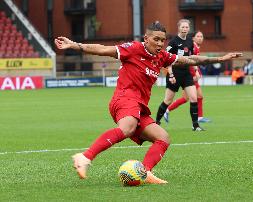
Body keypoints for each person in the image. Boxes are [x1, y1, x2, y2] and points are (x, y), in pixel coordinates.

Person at [54, 21, 242, 184]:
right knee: (127, 127)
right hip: (124, 99)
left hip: (139, 107)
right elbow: (103, 49)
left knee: (163, 138)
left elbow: (190, 59)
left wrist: (219, 58)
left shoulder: (162, 57)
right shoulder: (134, 49)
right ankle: (85, 157)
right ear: (146, 38)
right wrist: (74, 45)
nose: (160, 44)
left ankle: (145, 171)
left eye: (163, 40)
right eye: (156, 39)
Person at [155, 19, 204, 131]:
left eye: (187, 27)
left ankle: (195, 125)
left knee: (193, 98)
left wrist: (196, 70)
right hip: (174, 73)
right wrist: (171, 75)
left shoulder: (190, 42)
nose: (185, 29)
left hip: (186, 73)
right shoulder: (173, 42)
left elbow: (192, 58)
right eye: (183, 27)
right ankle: (156, 122)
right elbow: (167, 60)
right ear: (179, 28)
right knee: (168, 100)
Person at [163, 31, 211, 124]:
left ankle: (199, 117)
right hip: (188, 75)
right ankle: (167, 110)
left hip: (189, 74)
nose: (200, 38)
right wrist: (195, 73)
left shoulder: (196, 47)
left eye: (201, 36)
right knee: (194, 97)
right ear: (193, 38)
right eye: (198, 36)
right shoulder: (192, 46)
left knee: (192, 97)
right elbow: (190, 61)